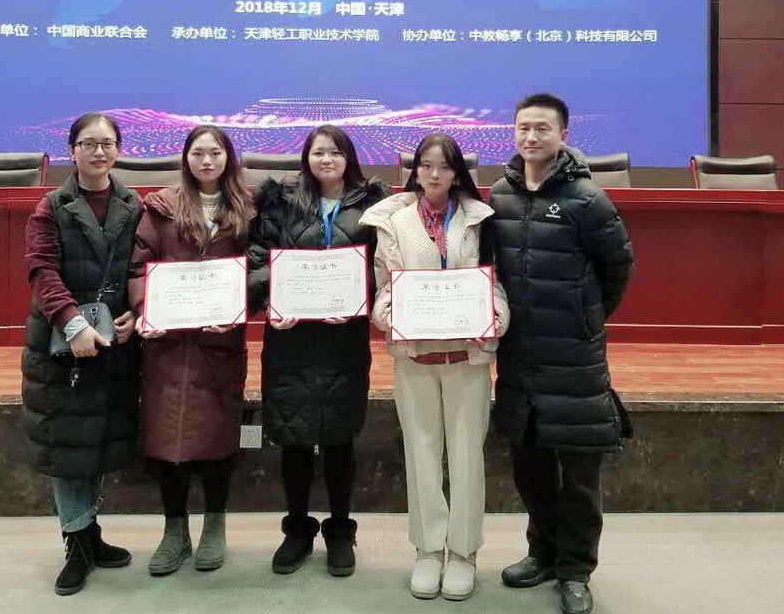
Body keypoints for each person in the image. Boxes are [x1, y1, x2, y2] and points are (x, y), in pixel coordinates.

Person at [488, 93, 635, 614]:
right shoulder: (499, 195)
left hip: (574, 357)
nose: (531, 137)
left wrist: (585, 317)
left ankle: (575, 571)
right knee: (529, 467)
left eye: (542, 129)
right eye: (523, 128)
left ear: (563, 135)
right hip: (519, 355)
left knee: (578, 476)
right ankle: (542, 553)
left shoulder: (587, 199)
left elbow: (618, 266)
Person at [360, 133, 510, 601]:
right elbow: (385, 286)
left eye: (444, 166)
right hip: (416, 358)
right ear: (415, 170)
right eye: (426, 165)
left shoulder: (481, 219)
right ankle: (427, 549)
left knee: (467, 458)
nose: (434, 174)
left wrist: (495, 317)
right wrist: (387, 315)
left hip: (467, 359)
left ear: (458, 172)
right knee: (422, 456)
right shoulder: (394, 222)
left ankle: (463, 551)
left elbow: (495, 283)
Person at [247, 125, 387, 577]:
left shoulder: (373, 207)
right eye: (319, 152)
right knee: (293, 438)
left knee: (340, 438)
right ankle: (297, 530)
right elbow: (257, 258)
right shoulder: (280, 204)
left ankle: (341, 531)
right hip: (290, 340)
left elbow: (383, 266)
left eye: (336, 152)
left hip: (343, 340)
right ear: (306, 158)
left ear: (349, 158)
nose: (327, 159)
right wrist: (271, 300)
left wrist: (359, 301)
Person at [20, 112, 142, 596]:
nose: (98, 152)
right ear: (72, 150)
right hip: (62, 342)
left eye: (107, 143)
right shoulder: (51, 206)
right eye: (89, 143)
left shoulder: (133, 204)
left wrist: (137, 310)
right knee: (70, 445)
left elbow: (141, 266)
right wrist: (73, 324)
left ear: (118, 150)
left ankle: (90, 535)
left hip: (114, 341)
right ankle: (75, 544)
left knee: (96, 440)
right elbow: (42, 271)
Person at [128, 125, 256, 576]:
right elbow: (139, 266)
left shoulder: (249, 208)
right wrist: (147, 307)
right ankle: (174, 530)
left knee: (217, 435)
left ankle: (215, 526)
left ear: (228, 158)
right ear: (185, 158)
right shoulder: (161, 207)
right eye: (198, 153)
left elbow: (259, 268)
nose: (206, 161)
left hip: (219, 341)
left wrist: (239, 306)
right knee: (167, 439)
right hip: (167, 343)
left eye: (214, 153)